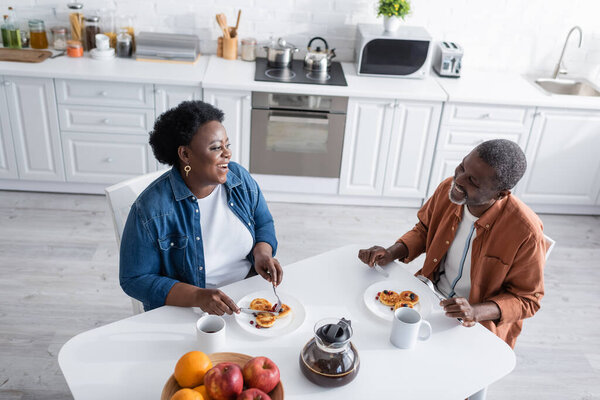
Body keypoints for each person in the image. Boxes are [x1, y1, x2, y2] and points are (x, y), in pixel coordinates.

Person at [358, 139, 547, 349]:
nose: (459, 180)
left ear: (500, 194)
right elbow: (425, 230)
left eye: (473, 182)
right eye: (462, 167)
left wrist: (475, 311)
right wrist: (391, 252)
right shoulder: (448, 189)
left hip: (477, 324)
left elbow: (528, 299)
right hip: (428, 296)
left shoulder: (526, 232)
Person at [120, 101, 282, 314]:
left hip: (248, 297)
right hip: (191, 309)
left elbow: (263, 221)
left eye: (227, 145)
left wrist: (262, 252)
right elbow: (135, 278)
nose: (227, 154)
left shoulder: (239, 178)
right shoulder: (150, 210)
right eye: (216, 147)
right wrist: (197, 296)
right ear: (185, 155)